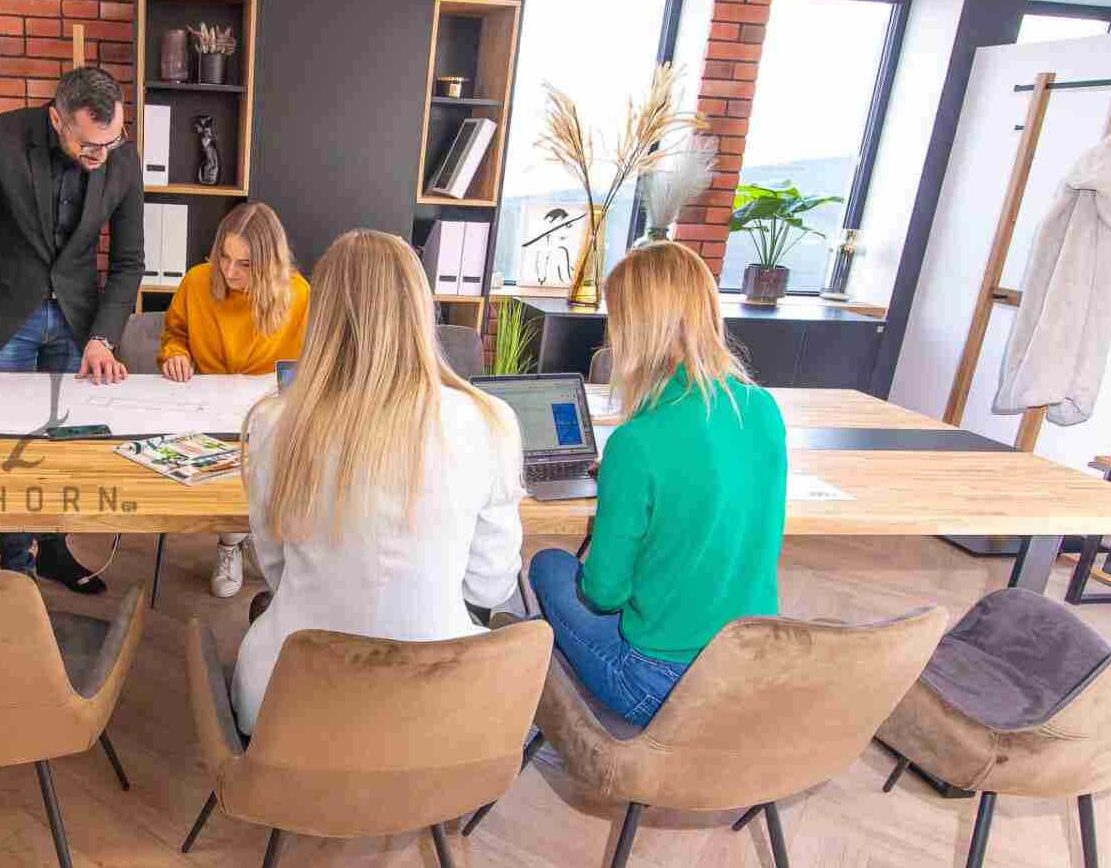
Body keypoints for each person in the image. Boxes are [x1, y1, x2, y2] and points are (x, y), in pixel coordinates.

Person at [231, 229, 524, 732]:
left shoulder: (274, 422)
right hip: (437, 716)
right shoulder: (489, 420)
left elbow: (275, 567)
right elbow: (491, 586)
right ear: (419, 307)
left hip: (290, 709)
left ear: (321, 315)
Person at [527, 241, 787, 726]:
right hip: (746, 672)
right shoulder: (763, 408)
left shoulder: (637, 442)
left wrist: (624, 491)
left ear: (634, 328)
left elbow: (603, 594)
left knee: (549, 565)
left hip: (656, 685)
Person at [0, 66, 144, 594]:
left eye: (112, 141)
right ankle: (14, 567)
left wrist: (104, 336)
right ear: (57, 119)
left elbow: (129, 261)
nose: (101, 156)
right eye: (90, 145)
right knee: (10, 446)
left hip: (76, 322)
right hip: (4, 317)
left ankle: (54, 550)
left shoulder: (121, 158)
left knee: (62, 441)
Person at [159, 201, 311, 597]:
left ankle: (268, 545)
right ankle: (230, 545)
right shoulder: (197, 282)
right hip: (205, 409)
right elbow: (174, 334)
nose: (229, 272)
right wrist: (176, 353)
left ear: (269, 264)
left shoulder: (297, 294)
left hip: (269, 413)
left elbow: (310, 364)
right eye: (224, 258)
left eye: (244, 265)